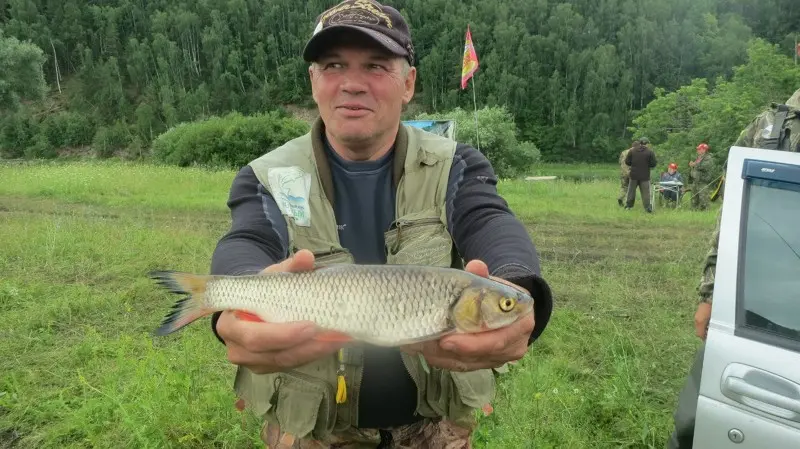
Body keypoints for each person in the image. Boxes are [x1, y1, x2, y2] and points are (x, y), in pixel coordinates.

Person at [207, 1, 554, 448]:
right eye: (334, 65)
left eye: (376, 66)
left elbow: (489, 220)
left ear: (408, 83)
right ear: (313, 81)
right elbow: (248, 239)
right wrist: (230, 297)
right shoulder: (266, 175)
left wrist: (518, 288)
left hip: (434, 428)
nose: (353, 83)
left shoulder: (456, 164)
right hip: (312, 430)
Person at [666, 87, 800, 449]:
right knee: (694, 424)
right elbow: (732, 219)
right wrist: (710, 293)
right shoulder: (770, 128)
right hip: (761, 304)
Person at [624, 137, 657, 212]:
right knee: (646, 193)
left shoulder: (632, 151)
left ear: (640, 143)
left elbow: (627, 162)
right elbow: (653, 164)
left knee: (631, 191)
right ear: (647, 143)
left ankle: (628, 206)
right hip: (645, 176)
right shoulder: (650, 152)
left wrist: (634, 164)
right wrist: (647, 165)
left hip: (634, 175)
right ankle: (647, 208)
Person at [687, 143, 716, 211]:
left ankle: (706, 212)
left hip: (702, 181)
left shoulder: (708, 158)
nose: (697, 150)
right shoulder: (698, 158)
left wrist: (694, 164)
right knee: (694, 198)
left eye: (699, 149)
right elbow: (695, 168)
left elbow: (704, 167)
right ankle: (694, 212)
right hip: (695, 181)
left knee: (704, 199)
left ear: (704, 150)